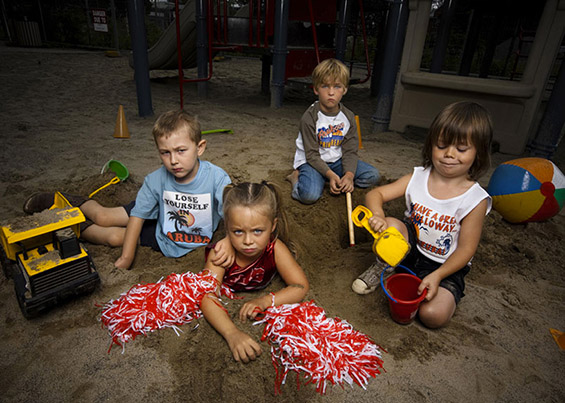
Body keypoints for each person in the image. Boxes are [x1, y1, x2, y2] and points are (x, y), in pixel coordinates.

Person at [23, 109, 232, 269]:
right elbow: (138, 216)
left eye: (181, 151)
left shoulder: (217, 178)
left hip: (167, 234)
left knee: (114, 238)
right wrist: (126, 258)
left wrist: (229, 242)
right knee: (104, 217)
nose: (174, 160)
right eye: (165, 153)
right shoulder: (156, 179)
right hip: (160, 216)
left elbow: (234, 216)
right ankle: (62, 200)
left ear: (200, 147)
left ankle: (76, 228)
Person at [351, 101, 493, 329]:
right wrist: (377, 215)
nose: (449, 154)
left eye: (461, 149)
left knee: (432, 316)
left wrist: (438, 276)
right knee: (390, 226)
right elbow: (375, 194)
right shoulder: (417, 178)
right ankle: (385, 267)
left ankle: (443, 294)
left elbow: (466, 250)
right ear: (430, 146)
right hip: (409, 249)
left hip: (445, 265)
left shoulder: (475, 199)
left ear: (478, 153)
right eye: (441, 145)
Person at [201, 182, 309, 363]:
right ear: (227, 227)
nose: (248, 241)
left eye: (258, 231)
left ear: (273, 226)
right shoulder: (221, 254)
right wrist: (232, 333)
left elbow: (300, 286)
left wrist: (265, 300)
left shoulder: (274, 248)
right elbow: (206, 295)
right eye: (237, 231)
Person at [287, 58, 380, 204]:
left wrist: (349, 176)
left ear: (345, 89)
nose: (331, 92)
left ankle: (330, 179)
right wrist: (330, 175)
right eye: (325, 86)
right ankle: (296, 179)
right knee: (309, 196)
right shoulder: (309, 117)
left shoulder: (348, 117)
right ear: (316, 89)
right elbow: (311, 155)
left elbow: (350, 151)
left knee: (372, 175)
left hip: (336, 161)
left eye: (337, 86)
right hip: (312, 162)